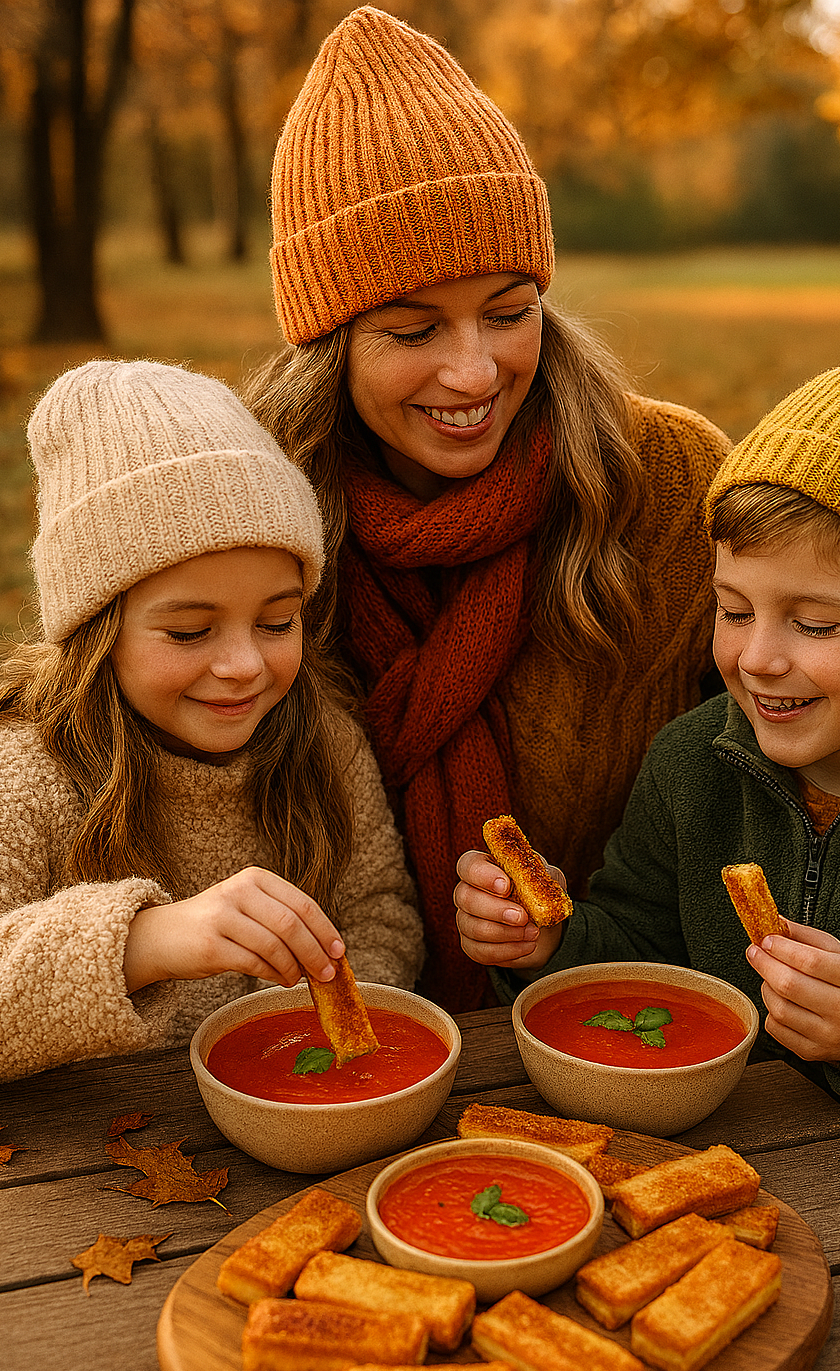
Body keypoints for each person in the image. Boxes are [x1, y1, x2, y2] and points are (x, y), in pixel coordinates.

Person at [455, 338, 840, 1239]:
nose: (757, 658)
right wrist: (543, 945)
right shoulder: (692, 764)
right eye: (734, 609)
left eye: (817, 623)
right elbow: (639, 946)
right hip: (718, 1173)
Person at [244, 5, 729, 1009]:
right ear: (330, 342)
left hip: (634, 1024)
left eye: (509, 313)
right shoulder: (254, 513)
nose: (474, 372)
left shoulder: (667, 482)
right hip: (342, 1050)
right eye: (414, 330)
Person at [0, 359, 422, 1086]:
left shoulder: (323, 741)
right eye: (190, 632)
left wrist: (299, 1038)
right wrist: (142, 942)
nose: (244, 666)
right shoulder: (23, 774)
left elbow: (380, 913)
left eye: (278, 621)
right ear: (95, 631)